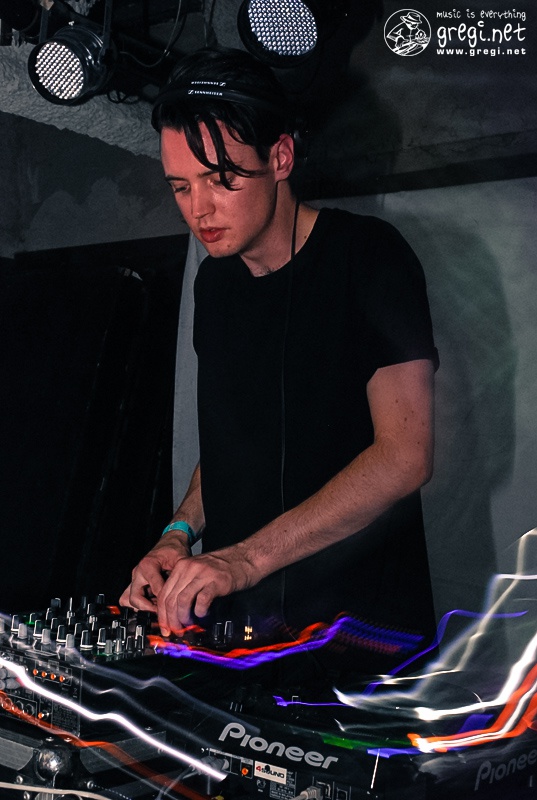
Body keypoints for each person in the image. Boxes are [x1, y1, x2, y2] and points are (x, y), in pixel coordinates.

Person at [120, 47, 439, 676]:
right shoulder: (214, 285)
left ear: (281, 158)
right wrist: (179, 534)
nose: (199, 209)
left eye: (222, 179)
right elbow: (233, 443)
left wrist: (243, 559)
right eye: (181, 187)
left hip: (361, 637)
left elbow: (406, 456)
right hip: (243, 633)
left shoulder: (369, 258)